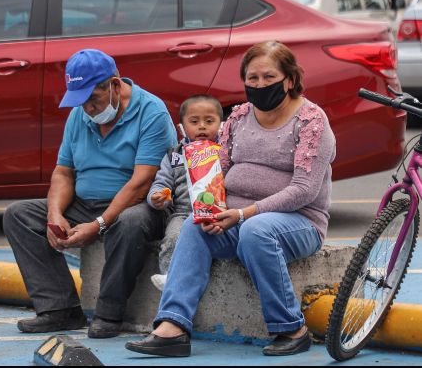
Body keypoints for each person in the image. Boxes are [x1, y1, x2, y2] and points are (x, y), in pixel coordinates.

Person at [126, 41, 336, 357]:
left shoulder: (311, 121)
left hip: (299, 221)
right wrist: (211, 208)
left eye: (269, 77)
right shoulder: (238, 117)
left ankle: (292, 328)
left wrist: (245, 214)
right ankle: (173, 326)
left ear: (289, 80)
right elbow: (218, 171)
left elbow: (304, 190)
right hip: (238, 216)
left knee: (257, 230)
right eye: (252, 78)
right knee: (195, 228)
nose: (260, 85)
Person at [3, 49, 176, 338]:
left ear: (115, 85)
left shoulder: (152, 112)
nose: (88, 109)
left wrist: (100, 224)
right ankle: (60, 310)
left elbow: (141, 182)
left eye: (93, 100)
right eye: (81, 102)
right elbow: (64, 172)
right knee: (19, 215)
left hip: (141, 204)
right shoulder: (79, 115)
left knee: (129, 222)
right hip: (86, 202)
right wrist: (54, 214)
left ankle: (109, 314)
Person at [148, 95, 223, 291]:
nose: (202, 127)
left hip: (219, 211)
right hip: (183, 212)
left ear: (221, 124)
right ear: (181, 126)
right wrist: (158, 196)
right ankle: (169, 276)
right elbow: (162, 181)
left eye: (209, 121)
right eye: (194, 121)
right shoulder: (175, 155)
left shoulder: (225, 151)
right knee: (173, 237)